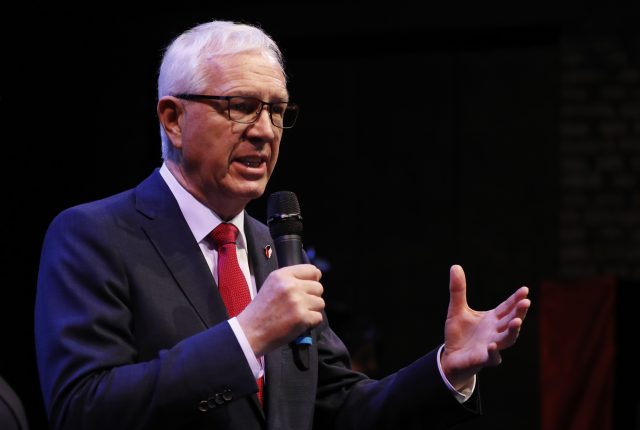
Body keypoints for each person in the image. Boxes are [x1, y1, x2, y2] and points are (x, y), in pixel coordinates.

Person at [34, 20, 531, 430]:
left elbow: (343, 408)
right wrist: (248, 335)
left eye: (276, 110)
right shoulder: (94, 236)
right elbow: (82, 408)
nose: (265, 130)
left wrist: (445, 368)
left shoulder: (275, 247)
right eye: (241, 106)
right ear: (173, 119)